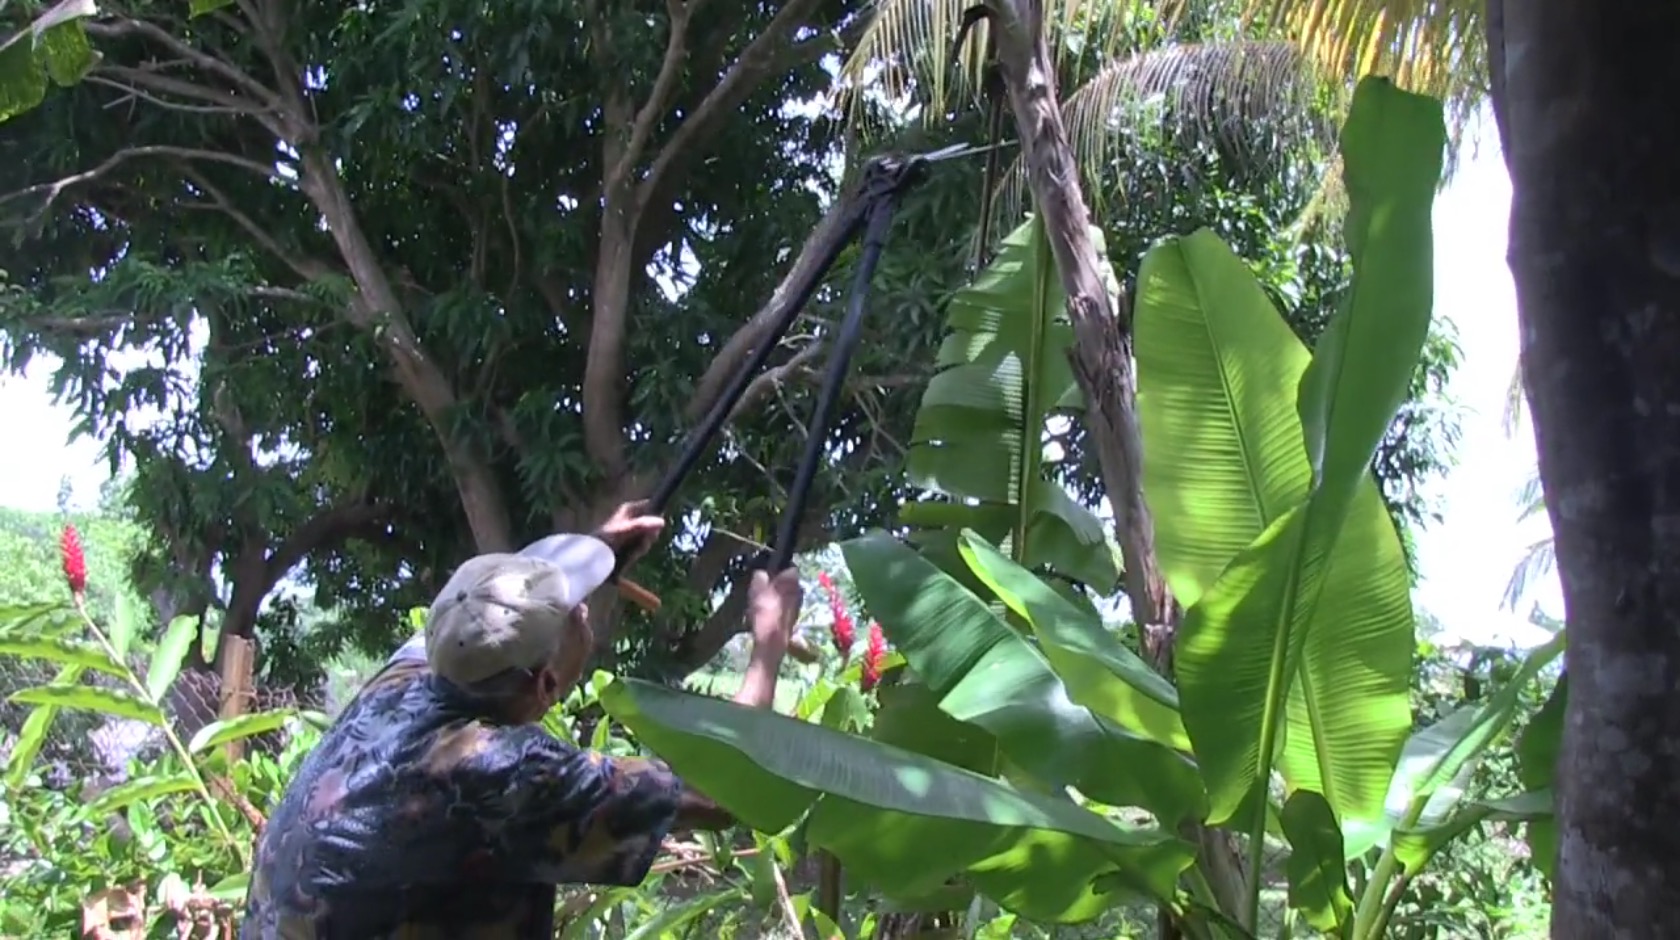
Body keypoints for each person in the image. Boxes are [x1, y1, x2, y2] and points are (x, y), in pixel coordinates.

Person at [238, 501, 805, 938]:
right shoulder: (503, 772)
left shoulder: (403, 680)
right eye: (577, 612)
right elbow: (720, 792)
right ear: (546, 685)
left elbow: (493, 608)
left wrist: (596, 550)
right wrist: (768, 644)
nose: (585, 608)